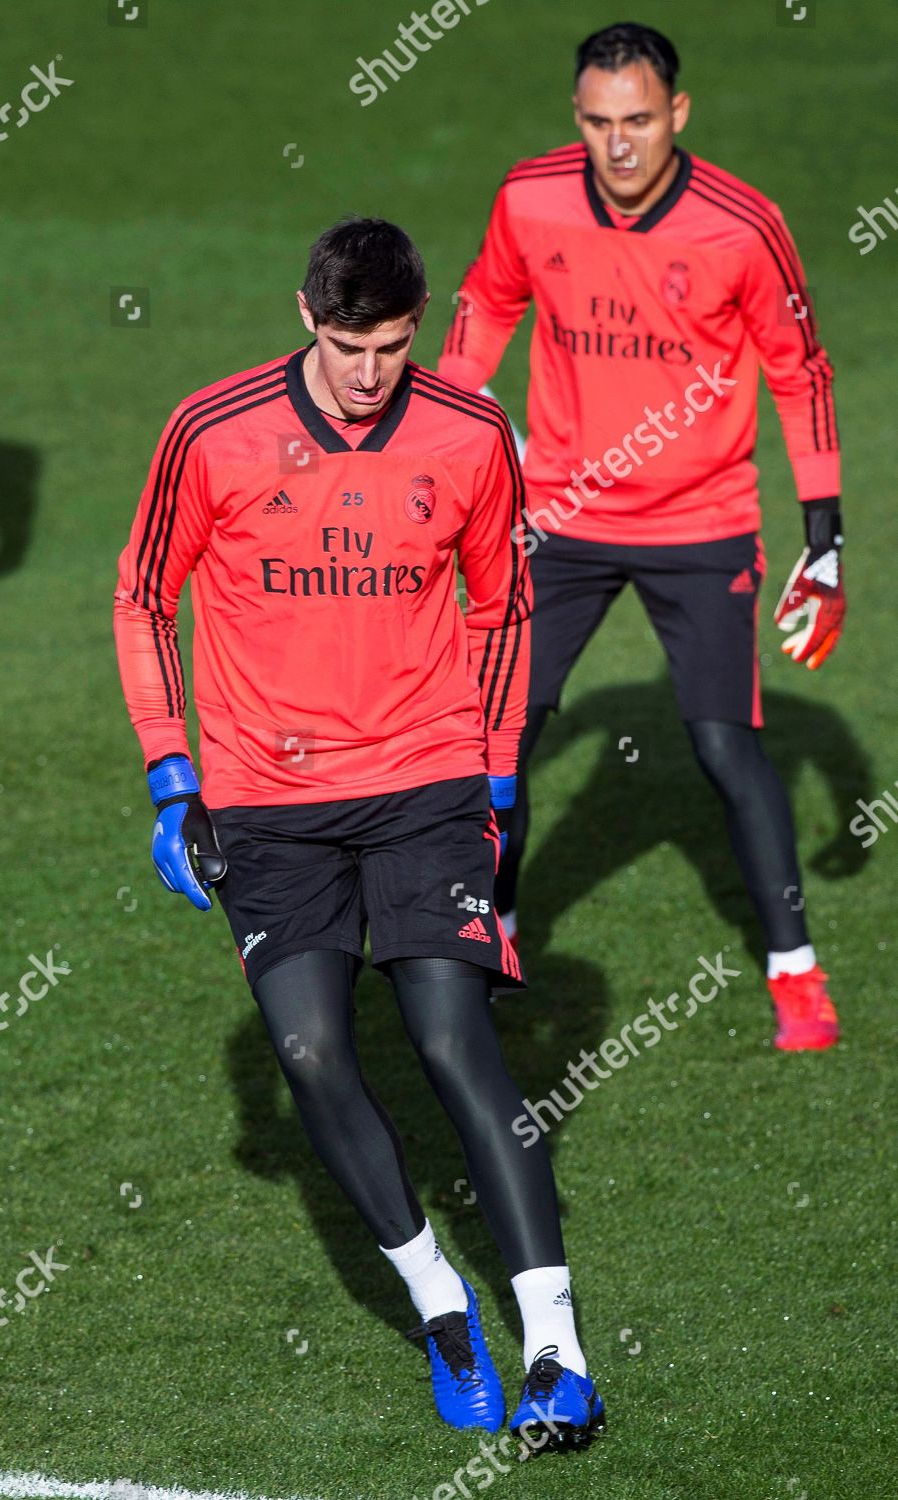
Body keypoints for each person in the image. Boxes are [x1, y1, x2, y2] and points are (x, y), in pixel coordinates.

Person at [114, 218, 604, 1445]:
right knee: (316, 1055)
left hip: (425, 778)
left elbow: (502, 606)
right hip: (266, 800)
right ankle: (441, 1305)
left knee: (450, 1042)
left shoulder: (471, 432)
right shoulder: (210, 431)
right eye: (346, 344)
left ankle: (556, 1342)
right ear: (304, 317)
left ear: (418, 326)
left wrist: (494, 781)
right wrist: (173, 775)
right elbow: (138, 594)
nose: (368, 372)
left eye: (391, 345)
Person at [439, 21, 844, 1050]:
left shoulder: (741, 226)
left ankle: (793, 970)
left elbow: (800, 371)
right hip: (560, 520)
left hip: (702, 523)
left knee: (722, 745)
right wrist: (446, 426)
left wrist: (824, 533)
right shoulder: (530, 198)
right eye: (596, 123)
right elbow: (487, 304)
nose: (618, 145)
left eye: (637, 121)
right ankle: (502, 932)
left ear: (676, 115)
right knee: (504, 734)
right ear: (576, 119)